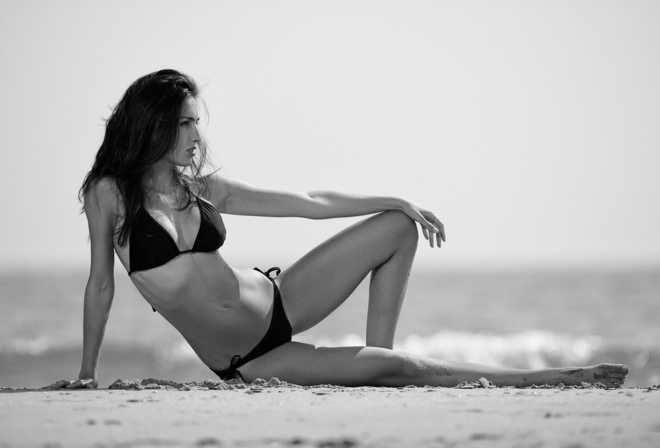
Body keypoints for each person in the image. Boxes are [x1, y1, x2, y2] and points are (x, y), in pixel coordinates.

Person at [50, 69, 628, 390]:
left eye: (197, 125)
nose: (197, 137)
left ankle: (381, 350)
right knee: (397, 372)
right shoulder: (110, 195)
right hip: (250, 359)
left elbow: (308, 202)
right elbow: (100, 287)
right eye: (186, 124)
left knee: (399, 226)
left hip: (280, 298)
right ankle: (555, 376)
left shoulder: (202, 188)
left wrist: (396, 197)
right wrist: (85, 374)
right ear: (154, 124)